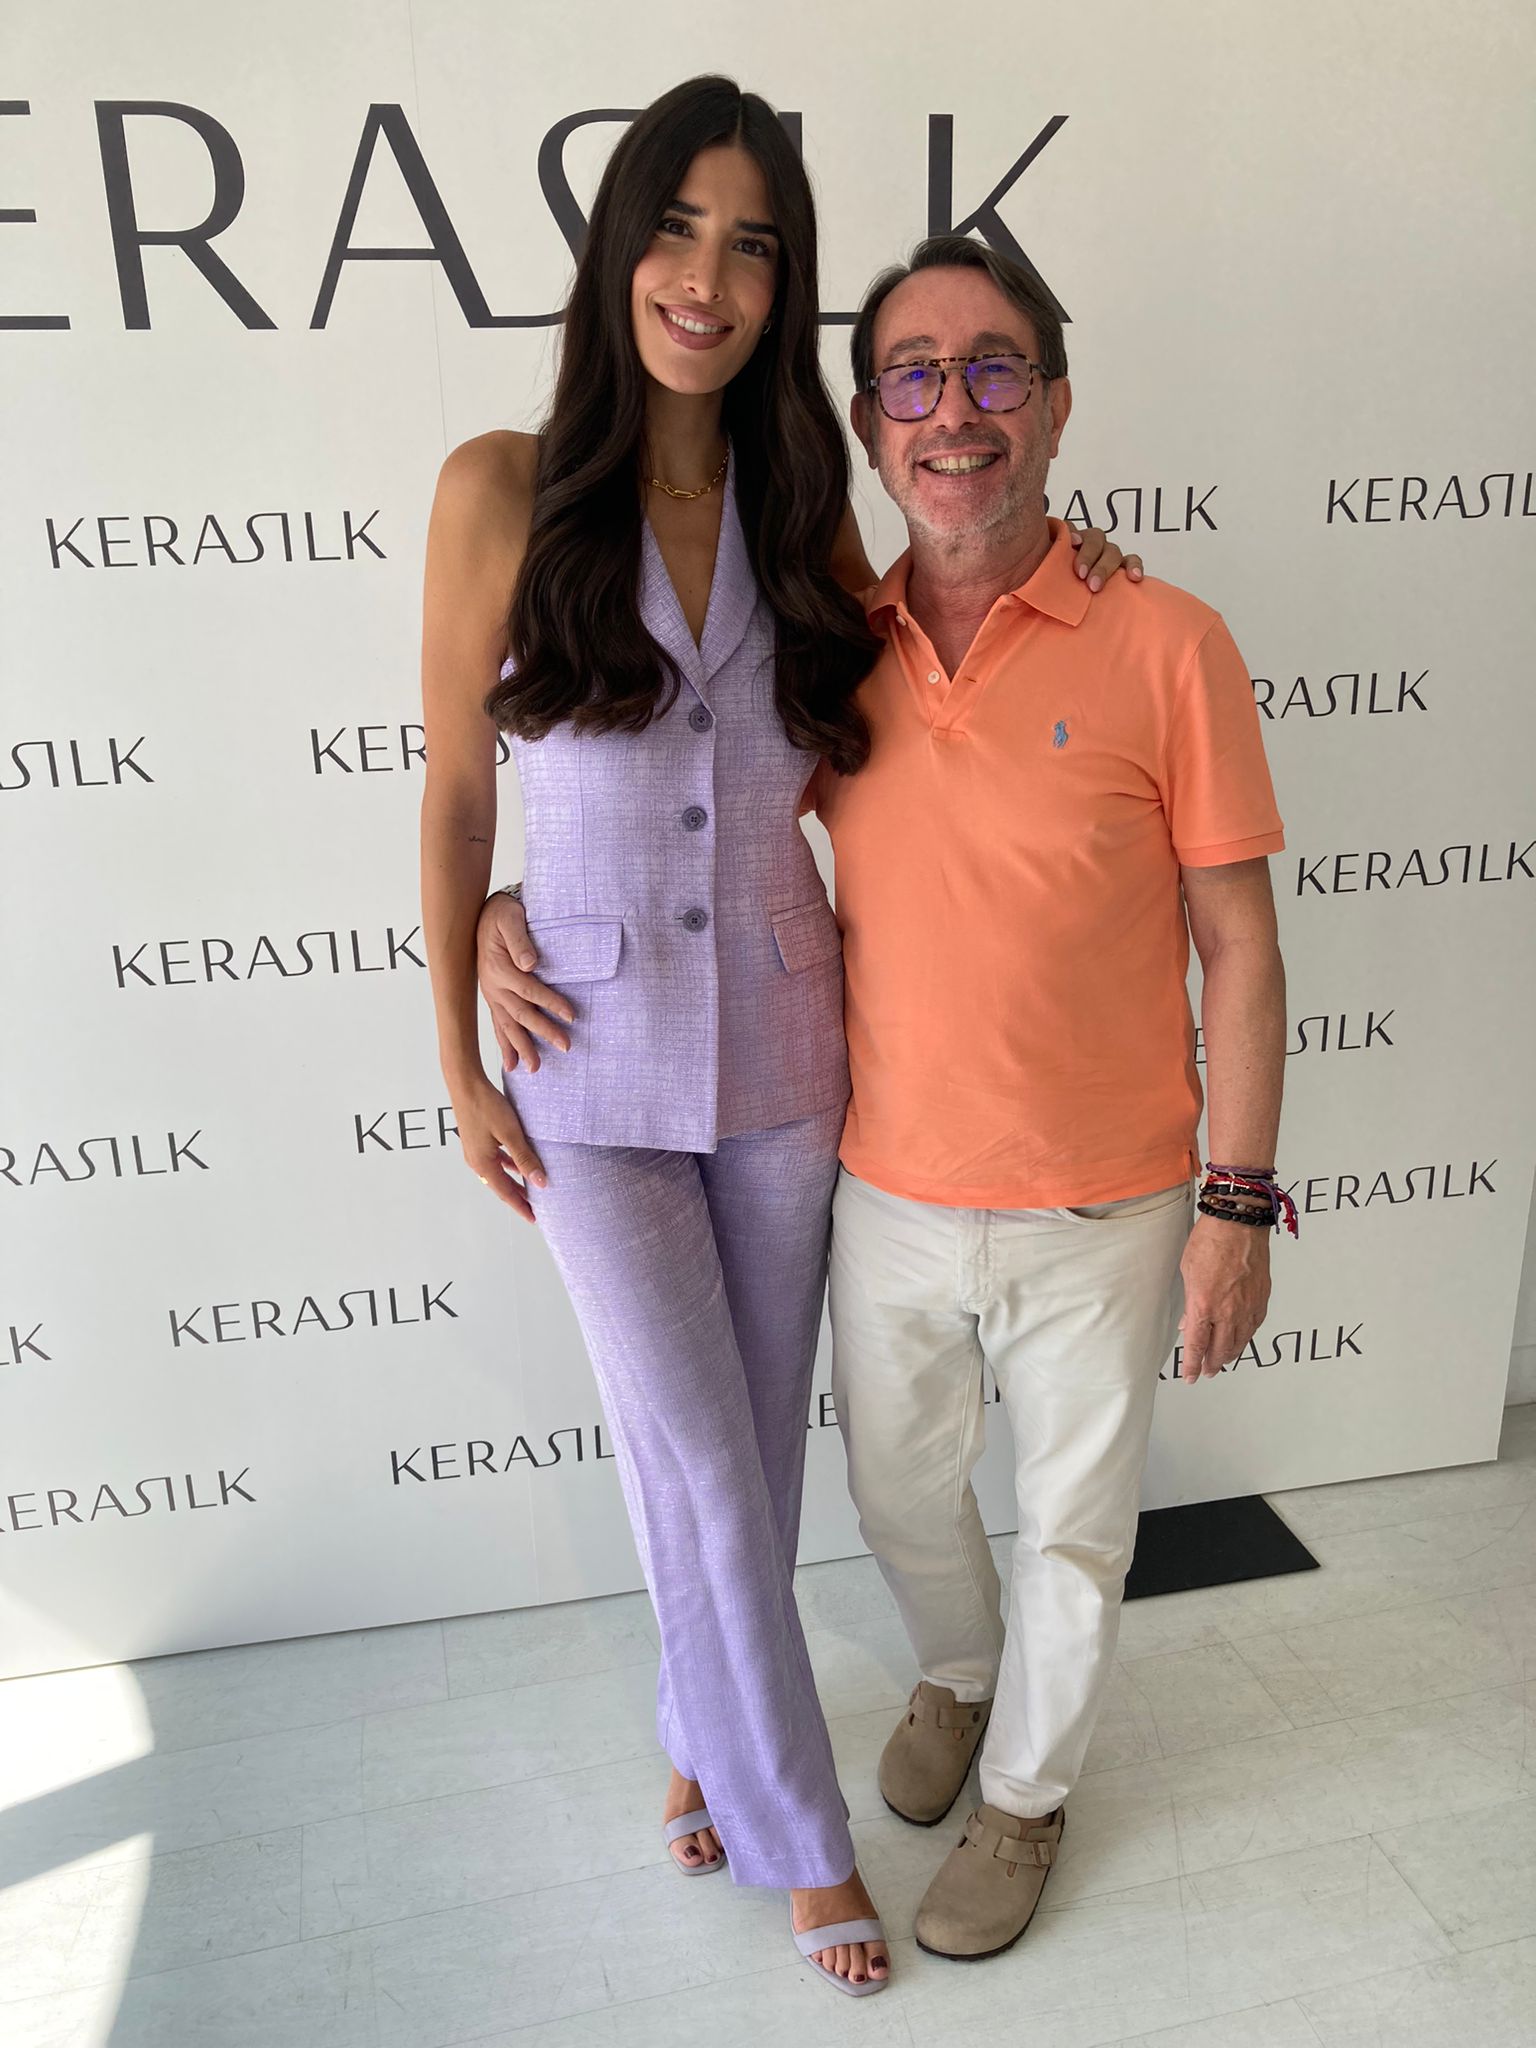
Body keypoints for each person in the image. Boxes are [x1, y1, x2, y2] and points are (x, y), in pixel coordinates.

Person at [478, 230, 1289, 1967]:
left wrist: (1239, 1202)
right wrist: (499, 906)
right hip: (883, 1179)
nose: (954, 410)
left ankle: (1026, 1799)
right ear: (867, 424)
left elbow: (1240, 937)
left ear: (1054, 404)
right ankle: (956, 1676)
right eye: (913, 377)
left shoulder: (1170, 640)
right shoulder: (827, 643)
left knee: (1073, 1533)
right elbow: (664, 796)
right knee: (904, 1504)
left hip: (1108, 1198)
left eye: (994, 370)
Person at [421, 76, 1137, 1996]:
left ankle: (697, 1730)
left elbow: (937, 657)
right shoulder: (496, 486)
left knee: (754, 1452)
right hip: (582, 1059)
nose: (709, 277)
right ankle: (801, 1837)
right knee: (705, 1462)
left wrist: (1088, 583)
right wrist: (460, 1026)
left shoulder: (804, 512)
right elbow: (457, 789)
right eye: (678, 227)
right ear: (619, 247)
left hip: (784, 1056)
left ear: (781, 286)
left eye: (753, 246)